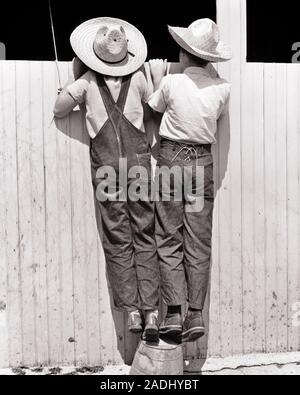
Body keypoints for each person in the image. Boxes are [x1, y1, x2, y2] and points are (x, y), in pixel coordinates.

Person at [53, 17, 160, 343]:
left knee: (117, 236)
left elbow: (59, 110)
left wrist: (72, 78)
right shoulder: (140, 79)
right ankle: (152, 311)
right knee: (145, 233)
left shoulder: (85, 82)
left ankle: (130, 309)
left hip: (106, 168)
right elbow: (155, 112)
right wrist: (155, 77)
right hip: (140, 164)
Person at [148, 19, 232, 343]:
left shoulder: (170, 83)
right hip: (201, 166)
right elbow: (214, 112)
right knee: (198, 238)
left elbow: (153, 109)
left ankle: (172, 312)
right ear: (211, 59)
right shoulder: (223, 88)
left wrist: (158, 78)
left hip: (171, 163)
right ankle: (194, 313)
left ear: (183, 53)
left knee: (168, 235)